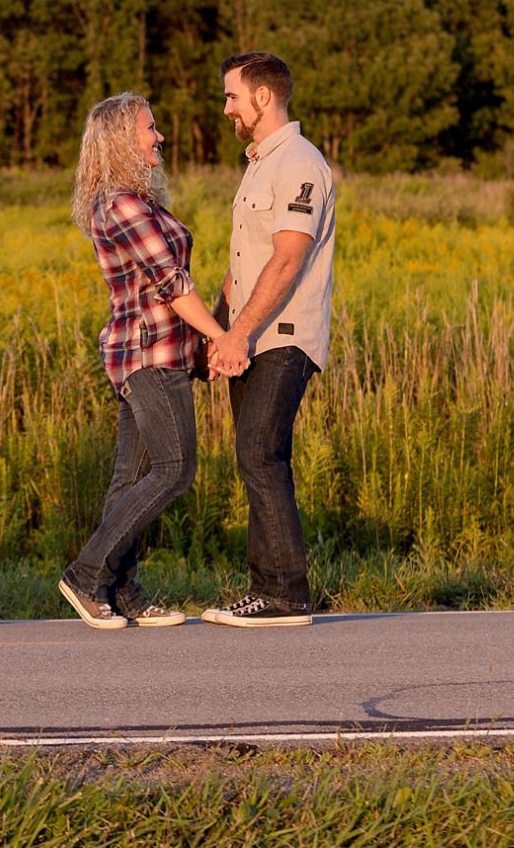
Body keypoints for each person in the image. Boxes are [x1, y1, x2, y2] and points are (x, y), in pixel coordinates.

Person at [59, 93, 230, 629]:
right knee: (174, 468)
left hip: (154, 352)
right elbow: (171, 283)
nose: (159, 136)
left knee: (128, 478)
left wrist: (198, 345)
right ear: (120, 141)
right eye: (149, 129)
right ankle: (87, 574)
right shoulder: (122, 205)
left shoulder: (136, 201)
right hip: (147, 354)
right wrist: (222, 337)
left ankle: (119, 588)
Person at [202, 52, 336, 628]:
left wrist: (241, 331)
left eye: (232, 96)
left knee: (262, 454)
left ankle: (284, 593)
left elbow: (286, 259)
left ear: (263, 97)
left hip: (282, 335)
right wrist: (216, 331)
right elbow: (245, 264)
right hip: (251, 335)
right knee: (255, 456)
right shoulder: (259, 165)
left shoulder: (299, 163)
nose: (226, 107)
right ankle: (268, 590)